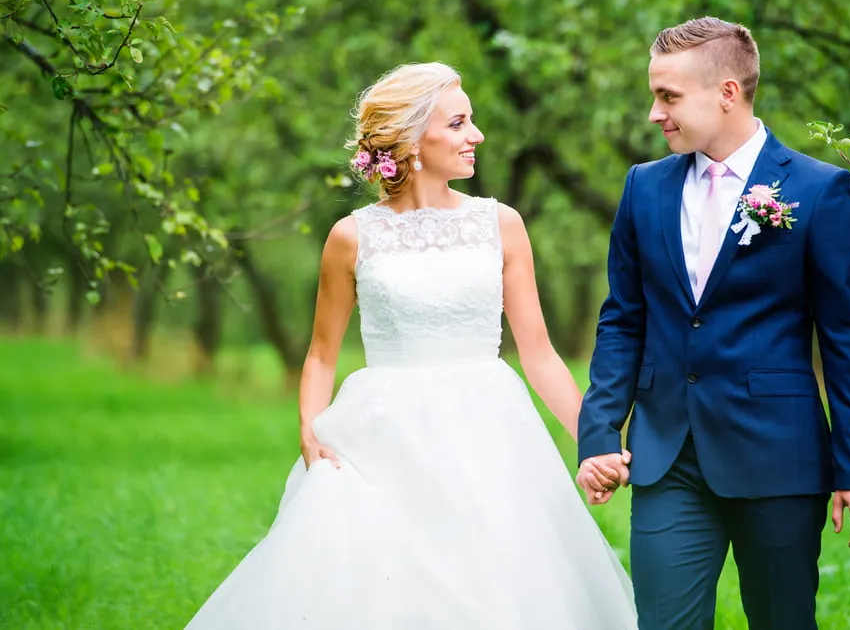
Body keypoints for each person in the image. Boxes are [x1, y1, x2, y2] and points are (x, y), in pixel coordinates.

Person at [183, 61, 637, 629]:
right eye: (459, 123)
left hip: (490, 431)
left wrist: (592, 441)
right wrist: (309, 429)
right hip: (383, 440)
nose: (477, 136)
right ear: (412, 137)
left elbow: (539, 354)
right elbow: (322, 353)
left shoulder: (502, 224)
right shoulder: (352, 236)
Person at [575, 17, 850, 629]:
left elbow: (846, 340)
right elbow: (622, 321)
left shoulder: (819, 192)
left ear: (726, 92)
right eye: (654, 95)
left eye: (668, 97)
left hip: (777, 456)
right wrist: (599, 433)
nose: (654, 113)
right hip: (668, 455)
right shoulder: (643, 187)